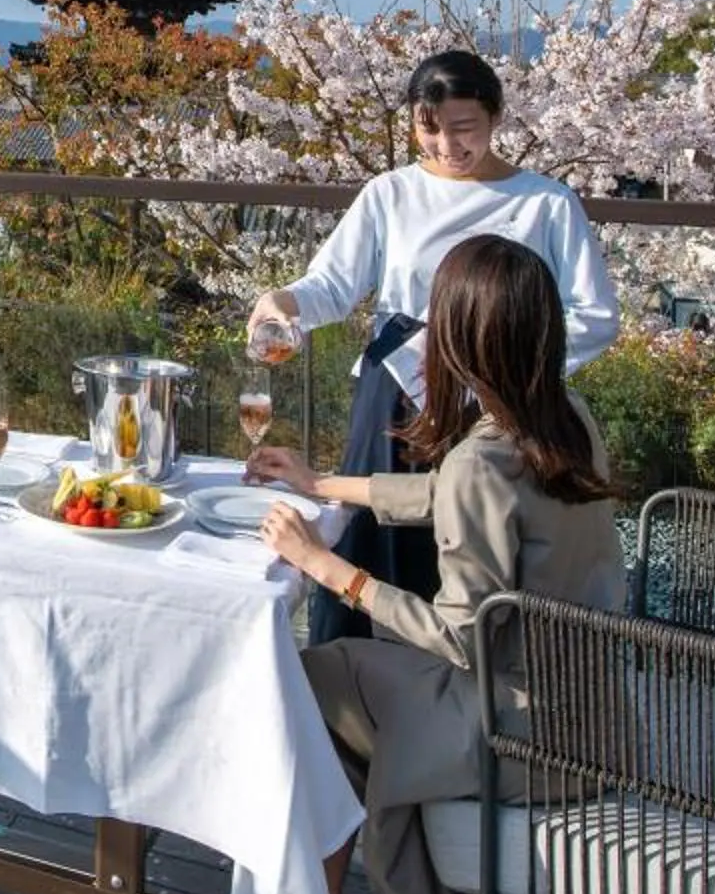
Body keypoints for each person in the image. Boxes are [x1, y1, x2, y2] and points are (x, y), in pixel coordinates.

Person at [243, 234, 627, 894]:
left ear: (458, 338)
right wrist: (324, 482)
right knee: (351, 680)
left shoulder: (479, 464)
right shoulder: (566, 419)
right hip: (592, 708)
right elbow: (439, 499)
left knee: (305, 677)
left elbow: (461, 636)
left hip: (515, 735)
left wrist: (326, 568)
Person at [245, 48, 617, 638]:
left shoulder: (545, 203)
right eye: (429, 129)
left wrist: (510, 368)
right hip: (396, 390)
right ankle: (354, 668)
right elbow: (334, 285)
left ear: (496, 118)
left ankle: (460, 682)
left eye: (463, 129)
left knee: (473, 542)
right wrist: (284, 301)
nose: (446, 145)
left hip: (498, 406)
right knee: (374, 531)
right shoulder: (391, 193)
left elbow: (595, 316)